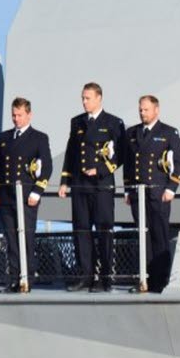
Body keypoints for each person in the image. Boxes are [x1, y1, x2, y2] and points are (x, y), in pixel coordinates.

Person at [59, 82, 125, 292]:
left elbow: (121, 153)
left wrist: (101, 169)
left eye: (88, 98)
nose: (84, 102)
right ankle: (85, 275)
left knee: (104, 230)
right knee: (81, 230)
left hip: (101, 186)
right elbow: (71, 152)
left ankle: (105, 277)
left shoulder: (113, 123)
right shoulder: (76, 122)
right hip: (80, 184)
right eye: (83, 98)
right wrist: (65, 181)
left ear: (99, 98)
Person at [123, 95, 180, 293]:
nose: (143, 113)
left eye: (146, 110)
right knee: (143, 236)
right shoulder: (131, 133)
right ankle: (145, 278)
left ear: (156, 110)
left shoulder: (168, 132)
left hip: (158, 193)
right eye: (141, 110)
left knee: (159, 236)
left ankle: (160, 280)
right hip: (137, 194)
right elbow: (128, 163)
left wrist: (171, 188)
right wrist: (127, 189)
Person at [0, 97, 51, 293]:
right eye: (13, 115)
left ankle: (27, 279)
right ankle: (14, 278)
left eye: (20, 115)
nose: (16, 119)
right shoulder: (4, 138)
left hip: (26, 197)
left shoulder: (39, 138)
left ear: (29, 115)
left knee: (26, 239)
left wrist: (37, 191)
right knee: (11, 239)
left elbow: (47, 166)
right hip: (6, 196)